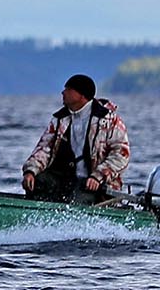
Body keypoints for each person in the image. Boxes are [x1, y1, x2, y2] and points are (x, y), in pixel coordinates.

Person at [21, 73, 132, 202]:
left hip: (95, 185)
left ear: (82, 95)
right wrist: (30, 171)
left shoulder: (108, 120)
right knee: (38, 181)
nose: (63, 93)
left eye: (68, 89)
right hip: (65, 179)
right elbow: (44, 149)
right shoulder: (59, 119)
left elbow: (121, 154)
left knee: (78, 200)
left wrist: (97, 177)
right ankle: (32, 214)